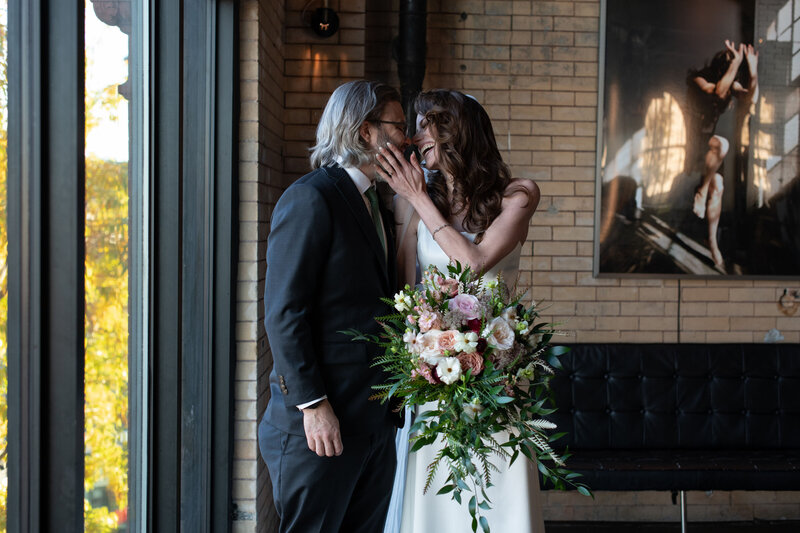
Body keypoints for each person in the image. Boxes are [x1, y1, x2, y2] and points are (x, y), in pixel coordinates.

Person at [376, 90, 543, 533]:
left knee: (498, 488)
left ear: (457, 130)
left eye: (425, 123)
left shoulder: (519, 195)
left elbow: (473, 265)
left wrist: (419, 199)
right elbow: (405, 295)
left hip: (498, 376)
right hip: (436, 376)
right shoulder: (411, 203)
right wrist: (421, 352)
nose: (415, 136)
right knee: (436, 493)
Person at [257, 80, 407, 533]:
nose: (409, 137)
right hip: (320, 426)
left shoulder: (374, 203)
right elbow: (284, 312)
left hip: (373, 421)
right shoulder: (311, 197)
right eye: (399, 126)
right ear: (366, 132)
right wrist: (313, 405)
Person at [686, 40, 758, 268]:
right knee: (722, 145)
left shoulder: (732, 83)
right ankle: (701, 190)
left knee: (719, 189)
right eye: (729, 67)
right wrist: (736, 62)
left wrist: (753, 73)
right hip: (691, 143)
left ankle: (712, 241)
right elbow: (717, 92)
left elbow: (750, 97)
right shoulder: (698, 78)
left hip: (711, 150)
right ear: (721, 67)